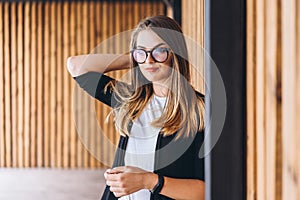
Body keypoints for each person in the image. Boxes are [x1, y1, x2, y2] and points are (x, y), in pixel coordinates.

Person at [67, 15, 205, 200]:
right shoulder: (131, 100)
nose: (149, 61)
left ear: (176, 52)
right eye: (142, 52)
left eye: (159, 51)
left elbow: (205, 190)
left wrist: (148, 181)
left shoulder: (200, 110)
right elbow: (76, 66)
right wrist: (134, 59)